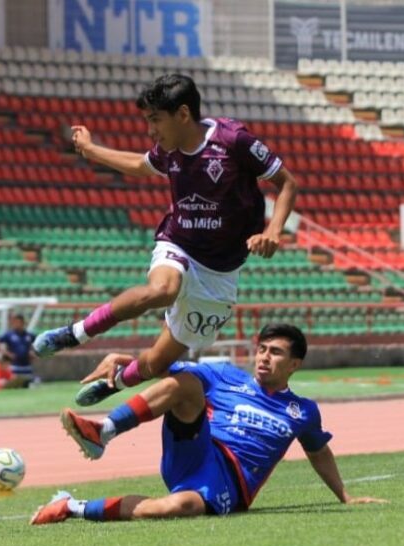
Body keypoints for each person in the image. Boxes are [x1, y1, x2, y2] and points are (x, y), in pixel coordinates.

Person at [33, 74, 299, 407]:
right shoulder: (168, 150)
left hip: (220, 270)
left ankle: (118, 379)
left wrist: (273, 230)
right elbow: (142, 165)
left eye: (155, 120)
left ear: (183, 114)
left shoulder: (234, 140)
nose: (151, 130)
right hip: (179, 242)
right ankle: (75, 333)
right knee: (163, 290)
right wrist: (90, 150)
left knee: (157, 363)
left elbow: (287, 183)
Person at [31, 324, 386, 525]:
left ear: (295, 364)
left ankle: (70, 506)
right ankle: (103, 432)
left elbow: (319, 452)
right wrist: (123, 360)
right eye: (262, 349)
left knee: (178, 509)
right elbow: (162, 367)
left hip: (228, 485)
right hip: (199, 449)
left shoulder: (302, 411)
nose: (264, 357)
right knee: (185, 385)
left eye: (275, 352)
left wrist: (345, 497)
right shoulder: (223, 376)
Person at [0, 314, 38, 385]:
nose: (16, 324)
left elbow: (38, 344)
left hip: (27, 365)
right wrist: (6, 353)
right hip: (14, 366)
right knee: (14, 385)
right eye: (15, 322)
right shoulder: (9, 335)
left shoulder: (29, 335)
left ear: (23, 323)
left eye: (18, 322)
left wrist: (34, 353)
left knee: (28, 384)